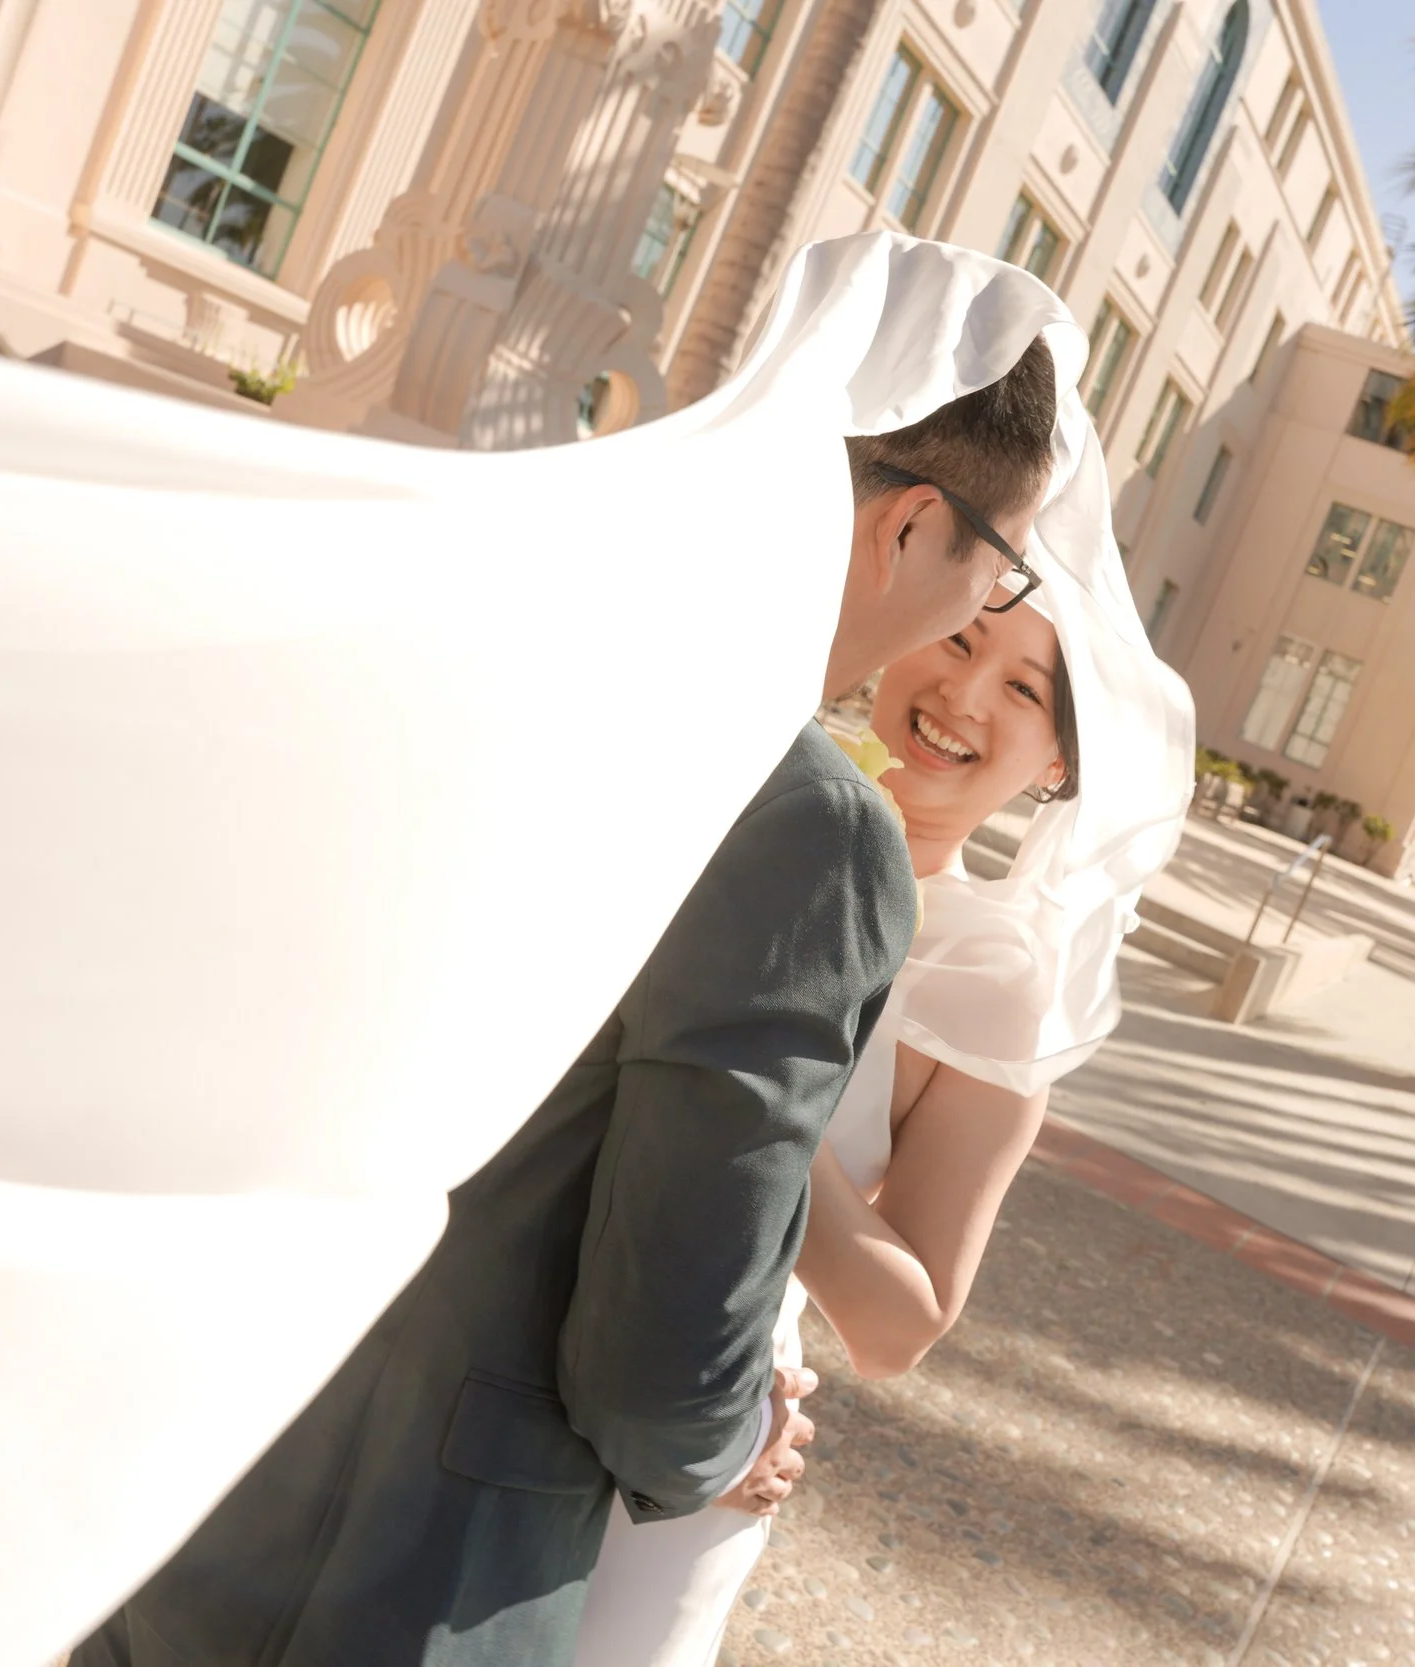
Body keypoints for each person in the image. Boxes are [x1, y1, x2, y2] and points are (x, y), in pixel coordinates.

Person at [69, 339, 1066, 1667]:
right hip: (424, 1563)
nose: (974, 609)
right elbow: (663, 1328)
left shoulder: (526, 663)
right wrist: (740, 1435)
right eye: (996, 565)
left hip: (208, 1460)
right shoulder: (811, 828)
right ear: (910, 524)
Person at [570, 336, 1194, 1667]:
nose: (966, 695)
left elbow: (906, 1318)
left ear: (1057, 763)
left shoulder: (995, 977)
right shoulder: (741, 789)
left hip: (700, 1427)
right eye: (964, 638)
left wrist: (751, 1100)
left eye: (1024, 690)